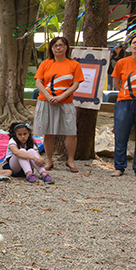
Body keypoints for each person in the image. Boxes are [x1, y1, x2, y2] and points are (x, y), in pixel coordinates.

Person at [33, 36, 83, 172]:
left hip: (66, 102)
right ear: (51, 48)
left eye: (61, 45)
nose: (58, 48)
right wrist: (49, 97)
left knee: (71, 132)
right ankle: (49, 160)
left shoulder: (74, 64)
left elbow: (76, 84)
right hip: (46, 101)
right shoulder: (46, 63)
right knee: (48, 132)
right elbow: (39, 82)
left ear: (66, 47)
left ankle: (70, 161)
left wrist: (61, 96)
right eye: (55, 46)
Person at [111, 36, 136, 176]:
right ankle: (119, 167)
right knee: (121, 136)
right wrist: (125, 93)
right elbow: (116, 83)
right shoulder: (122, 62)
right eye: (134, 42)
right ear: (130, 46)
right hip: (124, 102)